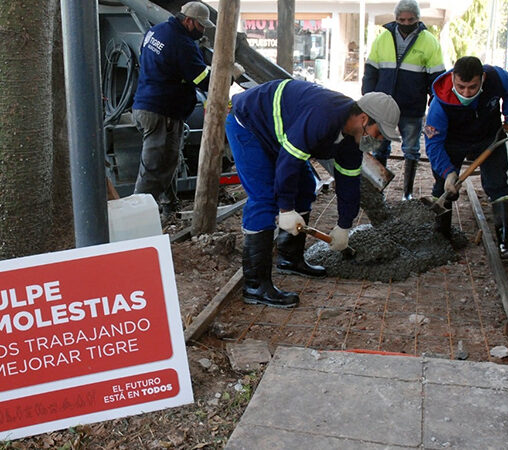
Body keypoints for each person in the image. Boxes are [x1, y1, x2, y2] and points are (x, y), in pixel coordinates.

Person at [227, 79, 401, 308]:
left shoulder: (351, 140)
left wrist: (344, 226)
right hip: (249, 125)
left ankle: (289, 258)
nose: (379, 140)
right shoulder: (323, 116)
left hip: (278, 134)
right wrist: (286, 209)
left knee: (306, 186)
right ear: (364, 119)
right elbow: (288, 163)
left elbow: (349, 181)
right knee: (265, 198)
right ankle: (255, 286)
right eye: (379, 133)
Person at [132, 2, 242, 220]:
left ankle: (169, 207)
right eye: (201, 26)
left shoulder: (155, 31)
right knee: (154, 170)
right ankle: (138, 220)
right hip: (163, 112)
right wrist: (231, 75)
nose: (202, 31)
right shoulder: (181, 43)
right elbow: (205, 82)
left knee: (168, 160)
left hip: (144, 106)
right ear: (188, 21)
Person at [424, 56, 508, 259]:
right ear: (452, 78)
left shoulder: (497, 78)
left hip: (489, 137)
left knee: (498, 185)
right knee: (443, 186)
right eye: (460, 87)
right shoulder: (440, 104)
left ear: (482, 78)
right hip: (453, 141)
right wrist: (448, 172)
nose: (466, 93)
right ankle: (442, 239)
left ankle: (504, 244)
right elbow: (433, 145)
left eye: (472, 87)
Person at [362, 0, 445, 200]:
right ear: (396, 19)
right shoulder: (382, 39)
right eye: (401, 20)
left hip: (411, 107)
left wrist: (434, 104)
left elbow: (437, 79)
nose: (406, 23)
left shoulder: (429, 42)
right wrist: (367, 97)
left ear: (418, 19)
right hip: (383, 107)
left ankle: (406, 194)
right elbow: (371, 71)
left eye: (410, 19)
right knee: (378, 146)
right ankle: (377, 189)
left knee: (411, 150)